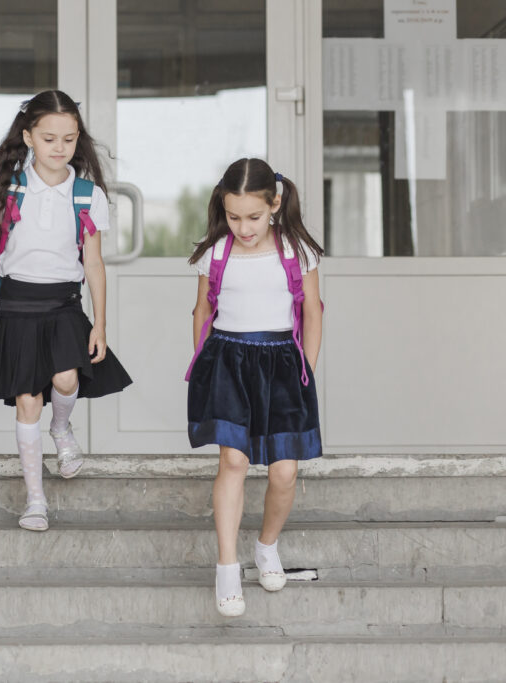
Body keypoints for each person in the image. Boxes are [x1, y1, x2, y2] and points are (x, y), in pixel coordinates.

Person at [0, 90, 132, 532]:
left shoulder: (87, 195)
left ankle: (62, 428)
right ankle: (36, 499)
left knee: (66, 379)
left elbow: (94, 263)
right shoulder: (8, 188)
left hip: (64, 303)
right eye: (49, 138)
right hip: (18, 304)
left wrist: (101, 324)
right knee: (27, 399)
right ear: (28, 137)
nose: (60, 148)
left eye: (69, 139)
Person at [186, 157, 324, 616]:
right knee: (233, 460)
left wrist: (307, 370)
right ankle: (227, 567)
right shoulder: (214, 253)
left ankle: (266, 547)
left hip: (282, 363)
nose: (243, 228)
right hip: (228, 361)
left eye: (253, 217)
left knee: (285, 471)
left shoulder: (297, 251)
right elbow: (202, 311)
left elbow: (312, 312)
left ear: (275, 204)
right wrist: (202, 365)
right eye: (233, 217)